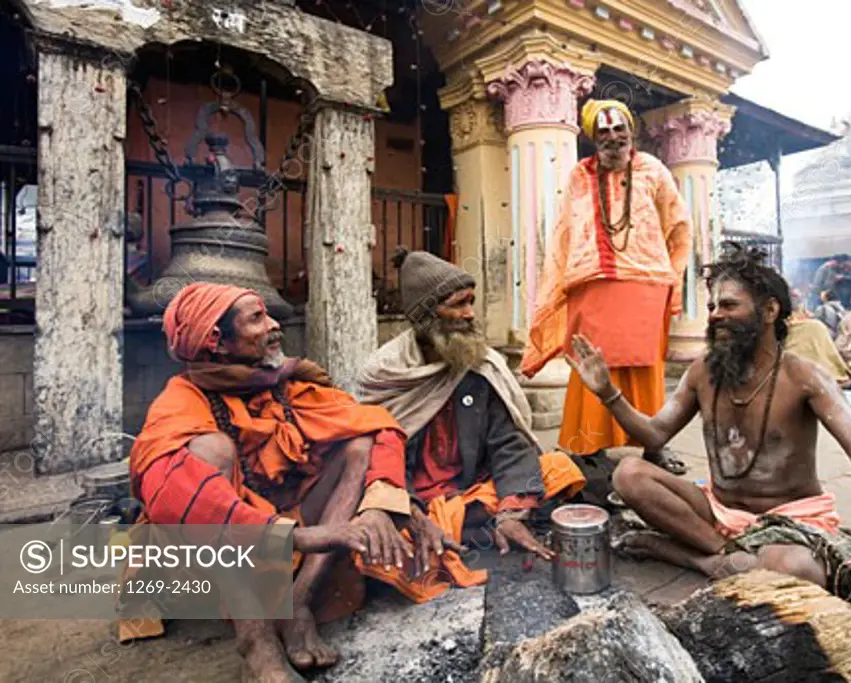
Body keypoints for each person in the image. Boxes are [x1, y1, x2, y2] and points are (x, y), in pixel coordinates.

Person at [564, 243, 851, 646]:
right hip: (719, 509)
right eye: (712, 308)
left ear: (770, 311)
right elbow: (654, 435)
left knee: (794, 569)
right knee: (629, 474)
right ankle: (725, 557)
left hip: (790, 522)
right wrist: (608, 393)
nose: (716, 316)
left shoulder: (805, 376)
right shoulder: (703, 371)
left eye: (729, 306)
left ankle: (694, 556)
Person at [127, 283, 411, 681]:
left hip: (291, 537)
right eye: (257, 318)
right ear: (217, 342)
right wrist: (297, 537)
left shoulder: (283, 383)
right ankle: (256, 639)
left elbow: (380, 428)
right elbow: (172, 499)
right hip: (214, 557)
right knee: (212, 450)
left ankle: (300, 601)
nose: (276, 325)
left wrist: (379, 506)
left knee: (359, 445)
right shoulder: (178, 404)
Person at [356, 249, 586, 602]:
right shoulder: (386, 373)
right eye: (457, 305)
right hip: (413, 502)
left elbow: (509, 440)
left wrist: (511, 510)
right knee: (375, 541)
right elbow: (380, 457)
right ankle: (465, 539)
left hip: (475, 492)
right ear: (427, 315)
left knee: (559, 469)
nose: (469, 314)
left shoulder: (479, 364)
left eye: (471, 302)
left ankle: (492, 531)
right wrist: (414, 516)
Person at [521, 98, 690, 461]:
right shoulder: (580, 176)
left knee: (644, 367)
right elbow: (566, 231)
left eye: (619, 129)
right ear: (593, 137)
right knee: (591, 362)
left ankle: (653, 443)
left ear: (630, 132)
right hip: (592, 281)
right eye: (604, 131)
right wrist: (560, 282)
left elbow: (675, 224)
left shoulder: (653, 170)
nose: (613, 137)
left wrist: (671, 275)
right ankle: (587, 443)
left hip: (645, 281)